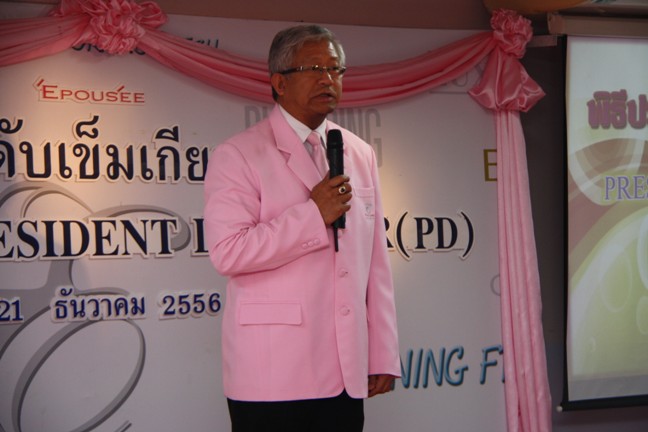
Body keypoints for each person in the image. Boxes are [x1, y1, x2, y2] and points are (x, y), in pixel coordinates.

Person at [203, 24, 400, 432]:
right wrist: (313, 215)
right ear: (279, 82)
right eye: (314, 68)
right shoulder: (238, 154)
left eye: (335, 69)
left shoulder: (359, 153)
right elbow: (228, 252)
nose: (328, 79)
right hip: (272, 372)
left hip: (346, 368)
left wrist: (382, 351)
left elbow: (376, 264)